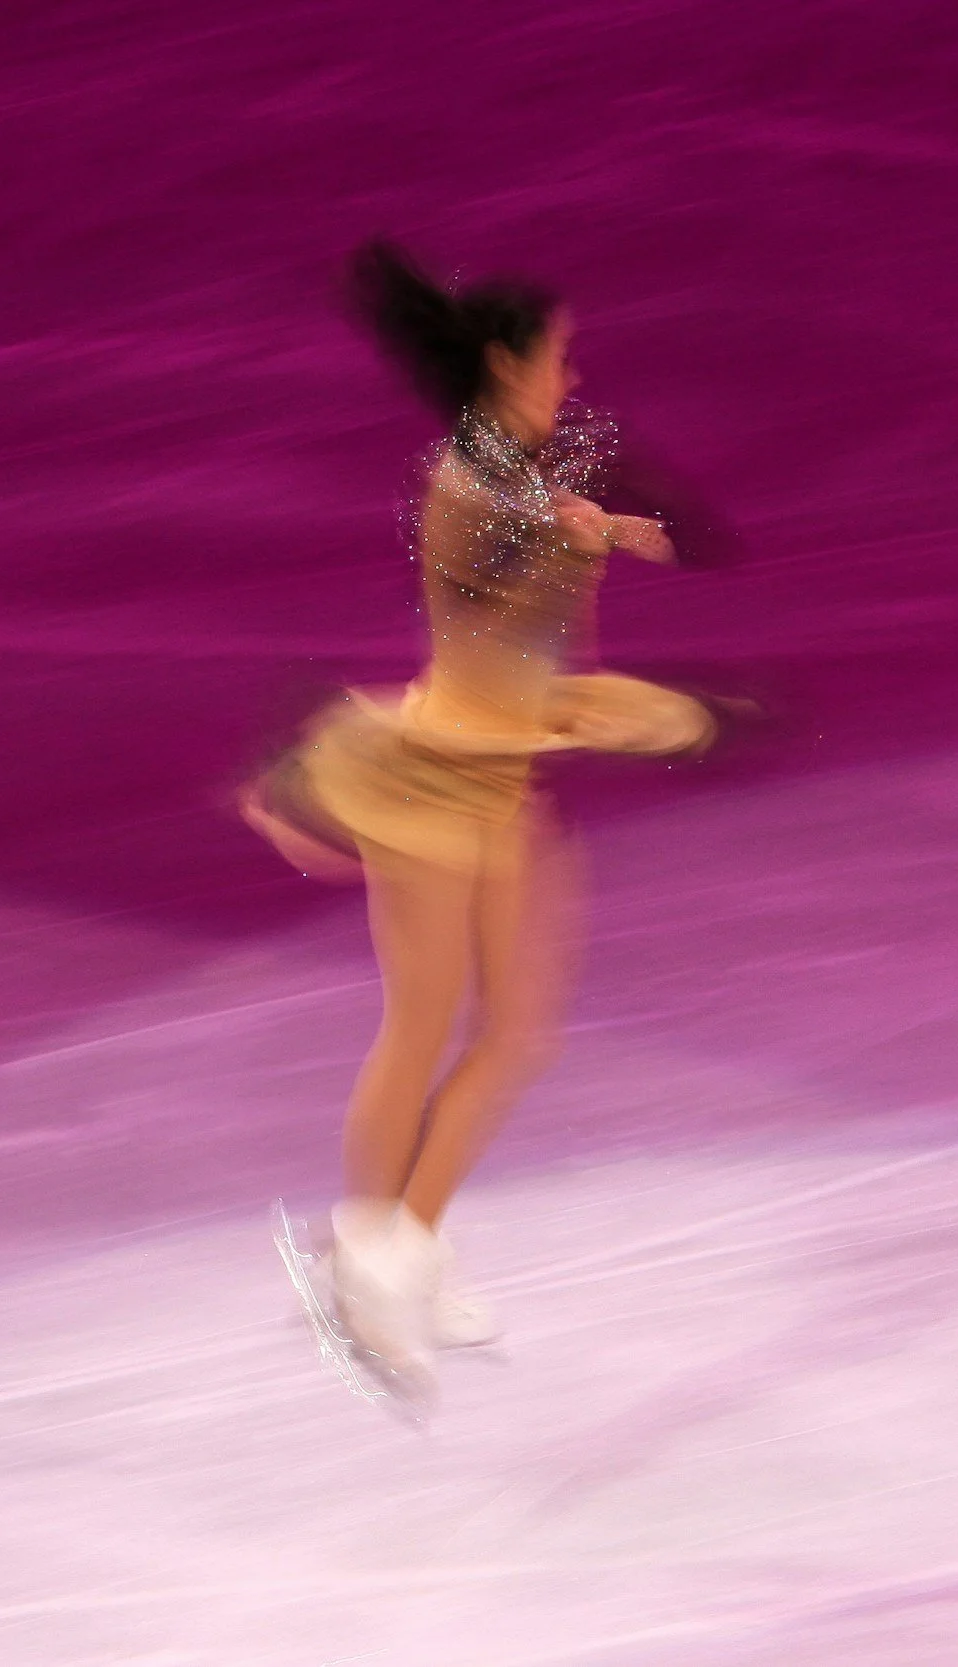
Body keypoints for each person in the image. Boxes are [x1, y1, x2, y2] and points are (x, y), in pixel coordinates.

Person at [245, 242, 717, 1392]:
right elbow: (496, 611)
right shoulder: (473, 489)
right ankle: (364, 1260)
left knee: (518, 1030)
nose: (572, 370)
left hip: (503, 779)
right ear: (507, 361)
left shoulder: (526, 469)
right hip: (435, 779)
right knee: (422, 1022)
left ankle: (409, 1236)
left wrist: (609, 528)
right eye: (558, 352)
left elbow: (562, 560)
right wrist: (587, 546)